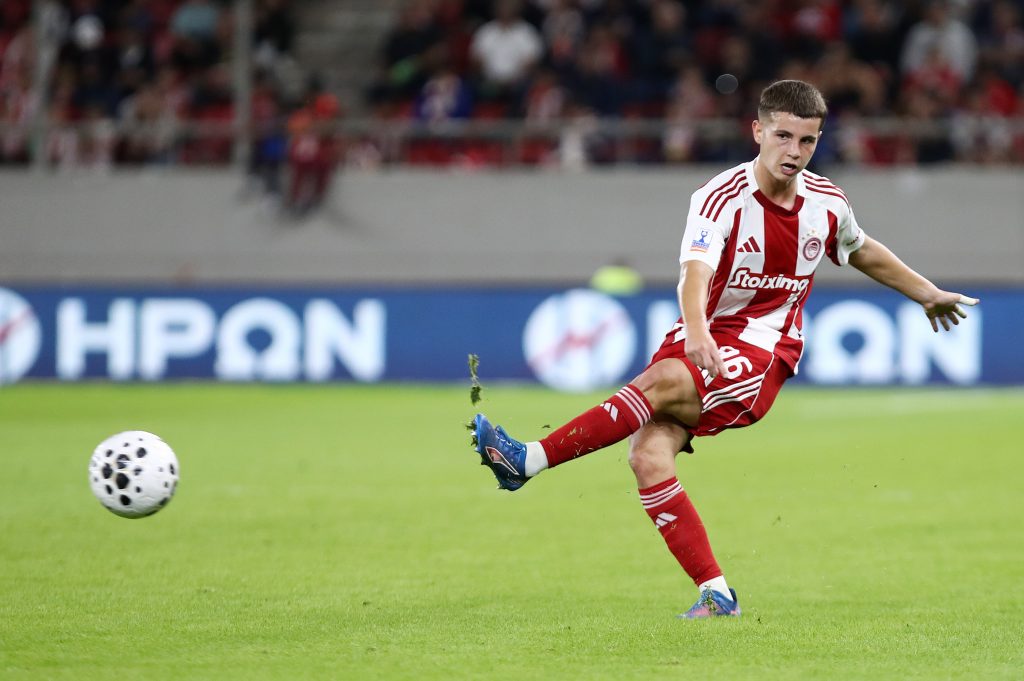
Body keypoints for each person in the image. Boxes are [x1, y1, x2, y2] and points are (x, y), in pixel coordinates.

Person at [470, 80, 979, 619]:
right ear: (757, 131)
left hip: (765, 350)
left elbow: (859, 249)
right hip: (705, 334)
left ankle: (527, 460)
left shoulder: (827, 203)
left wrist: (927, 293)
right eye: (783, 136)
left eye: (807, 141)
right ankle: (717, 594)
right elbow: (696, 270)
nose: (794, 151)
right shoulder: (720, 197)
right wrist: (696, 330)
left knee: (662, 383)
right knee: (647, 456)